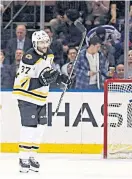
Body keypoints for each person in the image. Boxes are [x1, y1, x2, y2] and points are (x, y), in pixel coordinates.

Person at [12, 30, 71, 173]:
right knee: (29, 127)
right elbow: (21, 83)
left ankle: (32, 156)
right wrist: (40, 82)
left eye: (46, 42)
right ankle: (23, 158)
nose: (44, 45)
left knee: (41, 127)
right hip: (26, 96)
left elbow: (47, 72)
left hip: (41, 97)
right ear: (34, 43)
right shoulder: (29, 57)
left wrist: (60, 78)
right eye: (41, 43)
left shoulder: (49, 54)